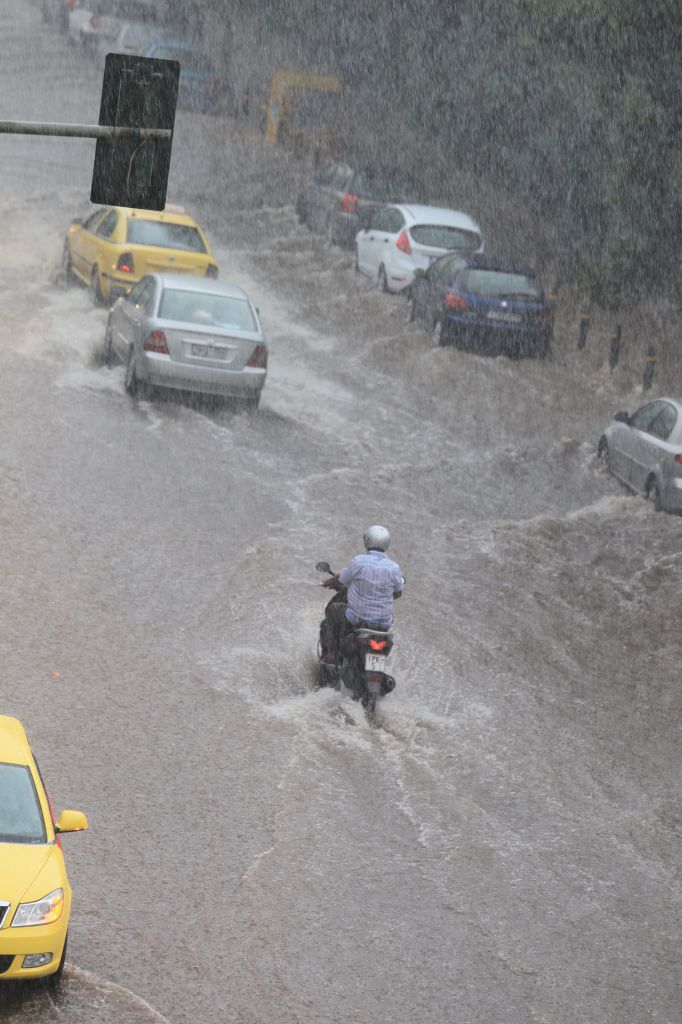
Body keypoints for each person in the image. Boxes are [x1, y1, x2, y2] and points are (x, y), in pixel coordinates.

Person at [320, 525, 403, 664]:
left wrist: (329, 582)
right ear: (387, 544)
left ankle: (333, 654)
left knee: (333, 610)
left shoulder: (359, 561)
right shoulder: (394, 568)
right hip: (383, 625)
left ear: (367, 541)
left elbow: (340, 579)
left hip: (358, 619)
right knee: (389, 617)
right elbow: (398, 592)